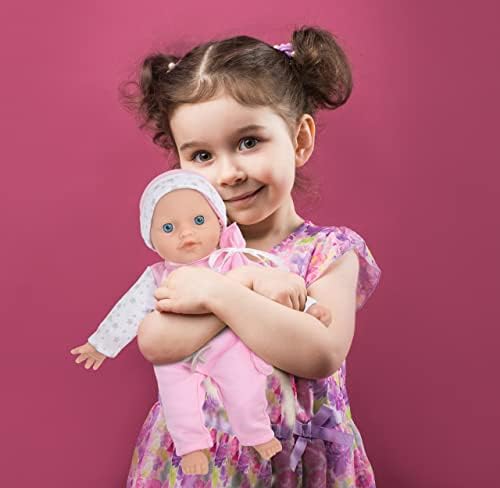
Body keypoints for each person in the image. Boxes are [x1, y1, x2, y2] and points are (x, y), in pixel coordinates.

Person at [122, 26, 382, 487]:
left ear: (299, 140)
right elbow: (158, 342)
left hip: (294, 467)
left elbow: (319, 351)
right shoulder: (191, 255)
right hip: (199, 466)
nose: (228, 173)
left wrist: (221, 293)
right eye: (202, 155)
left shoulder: (328, 251)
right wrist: (232, 289)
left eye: (248, 142)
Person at [71, 169, 332, 476]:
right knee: (176, 399)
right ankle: (191, 445)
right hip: (177, 356)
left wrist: (309, 306)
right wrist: (101, 345)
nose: (186, 234)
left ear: (219, 222)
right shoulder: (157, 276)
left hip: (227, 348)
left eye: (198, 220)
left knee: (246, 388)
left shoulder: (232, 260)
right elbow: (127, 311)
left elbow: (275, 286)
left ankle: (256, 433)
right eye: (168, 228)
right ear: (151, 240)